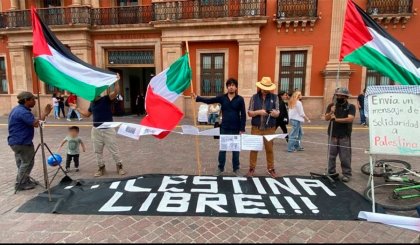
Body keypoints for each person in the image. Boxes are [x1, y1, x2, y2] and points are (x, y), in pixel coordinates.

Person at [192, 78, 246, 177]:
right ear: (227, 87)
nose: (231, 87)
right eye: (229, 85)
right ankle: (220, 167)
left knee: (235, 149)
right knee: (222, 149)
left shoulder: (240, 99)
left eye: (233, 85)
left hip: (235, 128)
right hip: (224, 127)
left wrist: (242, 128)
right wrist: (198, 98)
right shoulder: (222, 98)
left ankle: (236, 168)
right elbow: (210, 100)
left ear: (236, 87)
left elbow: (243, 115)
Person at [76, 82, 126, 177]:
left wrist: (116, 81)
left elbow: (116, 91)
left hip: (108, 130)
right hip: (96, 130)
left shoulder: (106, 99)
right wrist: (77, 108)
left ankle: (119, 166)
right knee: (97, 151)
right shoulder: (92, 103)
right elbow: (87, 114)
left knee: (114, 149)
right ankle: (101, 167)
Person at [8, 91, 52, 191]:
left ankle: (25, 180)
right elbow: (35, 123)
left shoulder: (18, 109)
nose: (34, 102)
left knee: (22, 162)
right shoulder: (22, 112)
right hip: (22, 142)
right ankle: (21, 184)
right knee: (27, 163)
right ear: (26, 100)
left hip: (16, 141)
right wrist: (45, 113)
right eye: (32, 100)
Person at [246, 77, 280, 178]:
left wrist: (274, 113)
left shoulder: (275, 97)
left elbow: (278, 113)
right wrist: (259, 112)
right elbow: (250, 113)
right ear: (260, 87)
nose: (266, 90)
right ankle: (251, 168)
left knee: (269, 150)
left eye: (268, 88)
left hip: (270, 128)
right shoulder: (254, 97)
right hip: (256, 128)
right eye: (264, 88)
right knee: (254, 149)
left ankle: (271, 169)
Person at [324, 87, 356, 183]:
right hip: (332, 134)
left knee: (345, 156)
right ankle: (331, 172)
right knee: (331, 156)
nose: (339, 97)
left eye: (341, 95)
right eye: (338, 95)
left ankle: (346, 174)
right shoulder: (331, 105)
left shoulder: (351, 107)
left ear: (346, 97)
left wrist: (337, 119)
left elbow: (350, 118)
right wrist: (331, 112)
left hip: (344, 135)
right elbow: (326, 118)